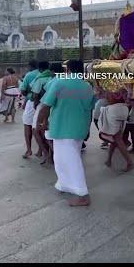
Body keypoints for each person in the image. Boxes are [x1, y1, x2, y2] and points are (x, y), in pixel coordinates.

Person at [37, 59, 95, 207]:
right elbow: (89, 110)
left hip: (63, 128)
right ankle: (64, 184)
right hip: (79, 128)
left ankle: (82, 195)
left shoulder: (59, 82)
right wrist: (87, 129)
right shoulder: (87, 86)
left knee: (70, 161)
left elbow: (45, 105)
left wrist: (40, 123)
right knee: (62, 159)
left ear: (68, 69)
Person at [99, 89, 134, 172]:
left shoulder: (112, 90)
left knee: (118, 140)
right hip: (123, 108)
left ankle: (130, 163)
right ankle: (109, 160)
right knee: (115, 140)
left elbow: (108, 101)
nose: (107, 98)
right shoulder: (121, 90)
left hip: (114, 110)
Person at [31, 61, 54, 163]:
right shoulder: (56, 78)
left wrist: (35, 104)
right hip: (54, 106)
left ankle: (46, 153)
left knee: (36, 130)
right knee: (49, 131)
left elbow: (35, 95)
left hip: (43, 105)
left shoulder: (40, 79)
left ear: (39, 69)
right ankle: (52, 154)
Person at [20, 60, 40, 158]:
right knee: (41, 125)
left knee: (27, 124)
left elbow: (23, 90)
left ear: (30, 66)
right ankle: (41, 150)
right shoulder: (44, 74)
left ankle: (29, 150)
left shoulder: (29, 75)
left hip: (32, 101)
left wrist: (28, 94)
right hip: (45, 102)